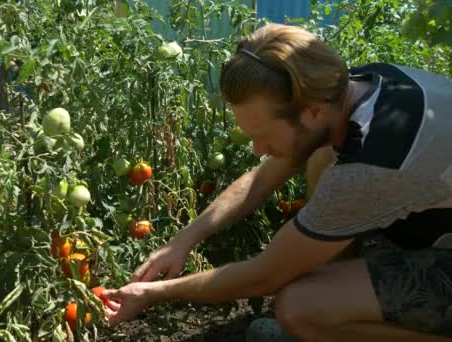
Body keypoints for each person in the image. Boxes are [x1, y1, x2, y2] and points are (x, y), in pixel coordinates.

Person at [102, 23, 452, 341]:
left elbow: (264, 276)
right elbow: (262, 178)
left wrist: (153, 293)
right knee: (320, 156)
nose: (257, 151)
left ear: (313, 111)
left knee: (299, 307)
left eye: (263, 135)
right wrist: (183, 241)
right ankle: (344, 290)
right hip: (435, 222)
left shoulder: (371, 165)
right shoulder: (362, 85)